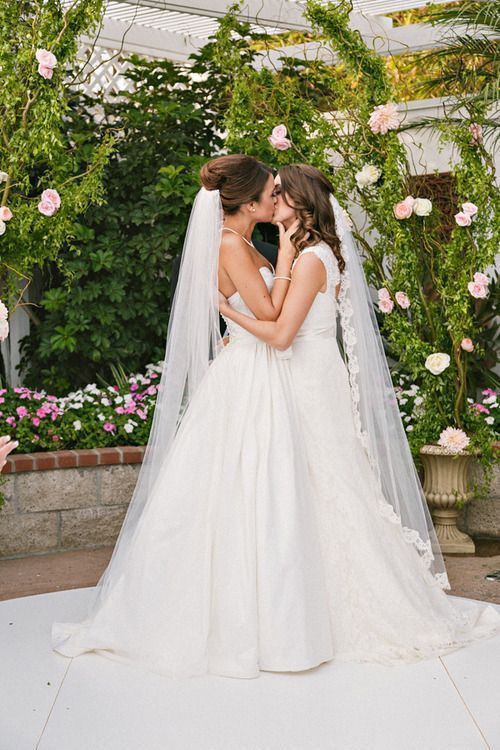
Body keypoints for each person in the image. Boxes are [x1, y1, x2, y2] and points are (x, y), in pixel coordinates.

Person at [52, 154, 335, 679]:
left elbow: (263, 310)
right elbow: (270, 314)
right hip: (248, 374)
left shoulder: (248, 242)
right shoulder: (231, 243)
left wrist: (257, 292)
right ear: (248, 203)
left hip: (257, 367)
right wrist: (272, 277)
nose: (278, 198)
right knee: (239, 486)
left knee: (254, 486)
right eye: (270, 193)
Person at [218, 163, 500, 664]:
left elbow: (281, 335)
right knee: (315, 487)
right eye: (271, 193)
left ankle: (347, 603)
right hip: (303, 377)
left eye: (280, 194)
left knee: (329, 486)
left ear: (301, 204)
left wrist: (230, 316)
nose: (273, 200)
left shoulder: (311, 261)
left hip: (306, 380)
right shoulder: (305, 254)